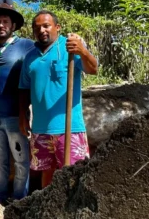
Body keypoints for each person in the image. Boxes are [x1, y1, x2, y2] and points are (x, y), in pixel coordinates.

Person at [18, 10, 98, 188]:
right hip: (40, 129)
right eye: (37, 27)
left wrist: (83, 51)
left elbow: (93, 69)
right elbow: (23, 88)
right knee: (47, 172)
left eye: (46, 25)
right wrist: (23, 115)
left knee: (75, 175)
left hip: (69, 128)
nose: (42, 30)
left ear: (57, 27)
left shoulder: (70, 47)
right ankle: (47, 207)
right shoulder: (30, 57)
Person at [0, 3, 34, 205]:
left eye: (5, 21)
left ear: (13, 25)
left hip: (16, 116)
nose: (1, 25)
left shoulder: (26, 45)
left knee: (21, 161)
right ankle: (0, 196)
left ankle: (20, 199)